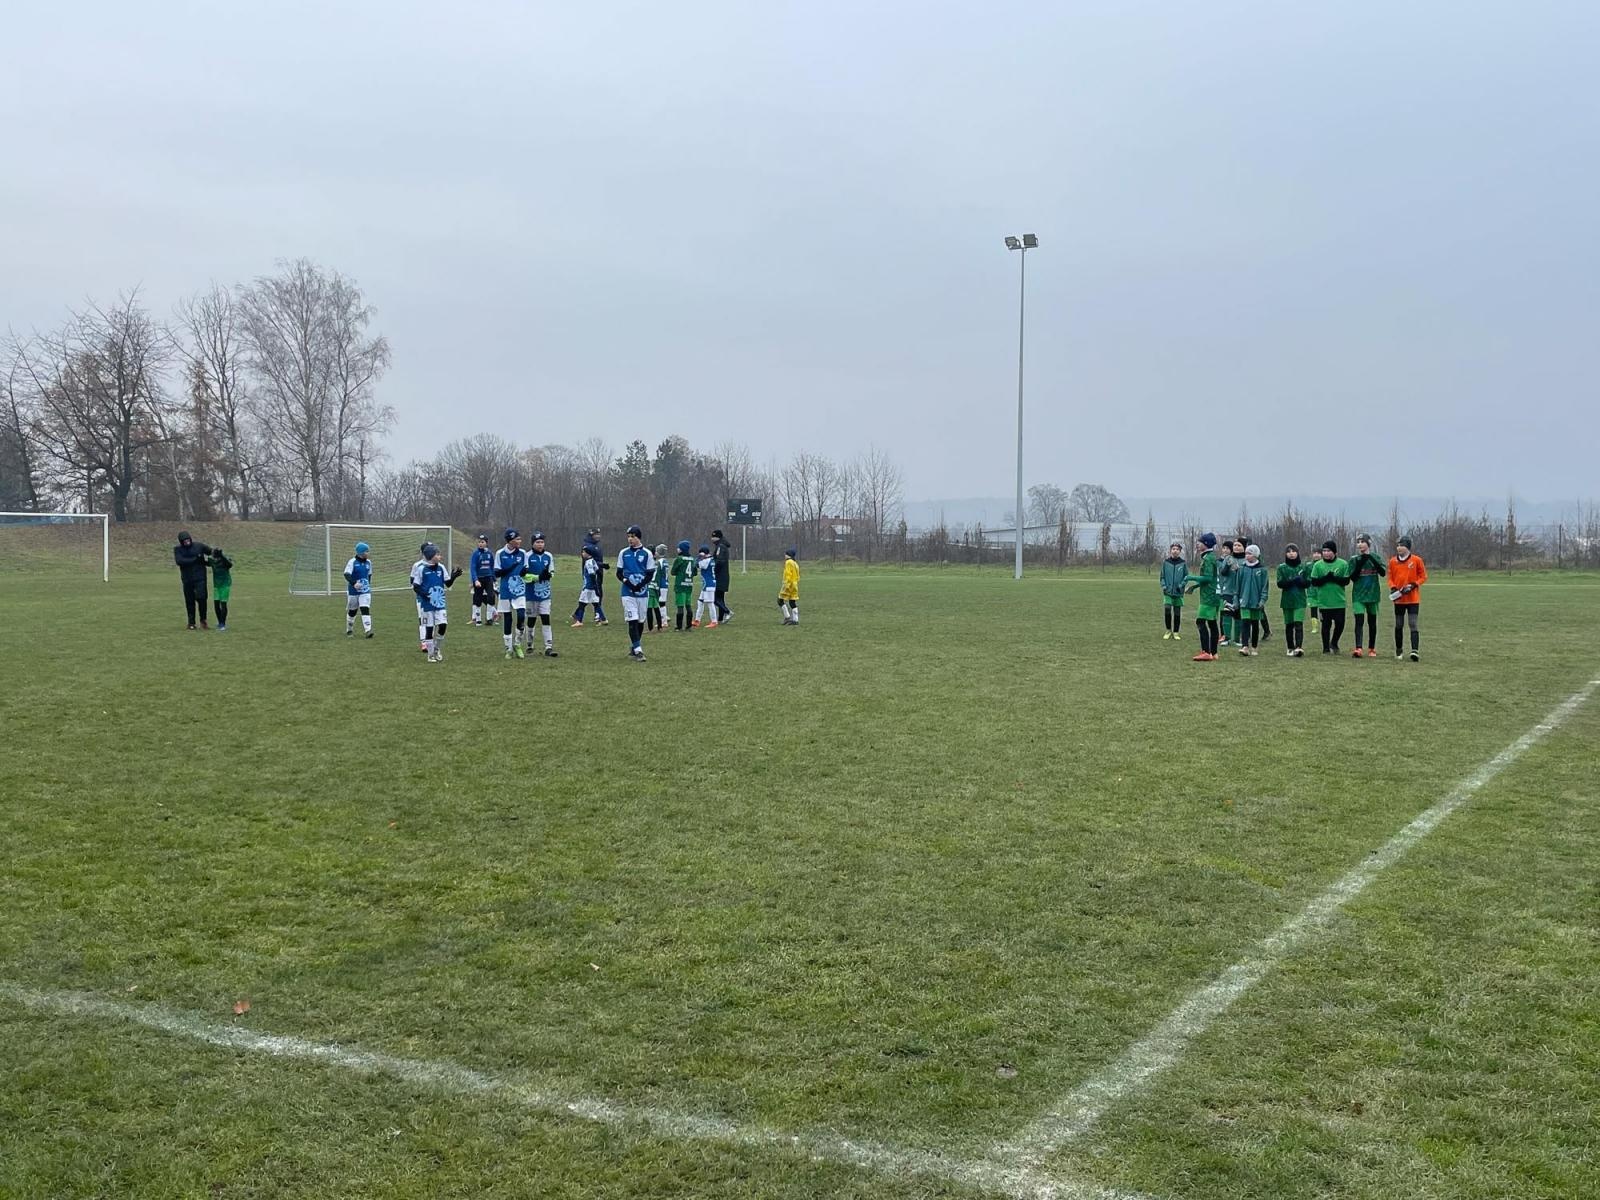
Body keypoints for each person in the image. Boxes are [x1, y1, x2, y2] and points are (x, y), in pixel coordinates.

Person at [412, 542, 462, 662]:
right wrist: (427, 594)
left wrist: (454, 576)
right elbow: (416, 586)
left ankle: (436, 649)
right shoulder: (421, 569)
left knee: (443, 625)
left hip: (440, 603)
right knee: (429, 629)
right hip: (427, 605)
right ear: (431, 556)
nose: (440, 556)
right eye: (438, 554)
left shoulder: (441, 567)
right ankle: (430, 655)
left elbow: (447, 583)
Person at [617, 525, 655, 661]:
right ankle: (639, 651)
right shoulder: (623, 553)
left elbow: (650, 574)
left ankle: (634, 647)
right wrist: (628, 583)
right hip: (627, 593)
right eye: (628, 536)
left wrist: (640, 585)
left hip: (642, 593)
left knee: (640, 621)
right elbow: (619, 573)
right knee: (632, 620)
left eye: (633, 536)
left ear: (638, 537)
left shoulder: (647, 554)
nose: (630, 539)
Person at [1347, 534, 1388, 659]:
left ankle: (1372, 648)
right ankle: (1358, 648)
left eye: (1362, 542)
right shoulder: (1354, 559)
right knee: (1359, 621)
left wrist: (1370, 558)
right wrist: (1361, 563)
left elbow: (1382, 573)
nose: (1359, 544)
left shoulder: (1375, 557)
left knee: (1372, 622)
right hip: (1358, 595)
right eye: (1358, 542)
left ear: (1368, 543)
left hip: (1373, 595)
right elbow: (1352, 577)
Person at [1307, 540, 1351, 654]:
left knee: (1340, 624)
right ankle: (1326, 648)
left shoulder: (1343, 564)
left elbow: (1346, 581)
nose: (1326, 553)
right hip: (1324, 602)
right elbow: (1315, 582)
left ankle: (1334, 642)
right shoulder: (1318, 565)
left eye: (1329, 551)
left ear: (1334, 552)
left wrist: (1334, 578)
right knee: (1325, 625)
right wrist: (1326, 578)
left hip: (1339, 601)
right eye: (1324, 551)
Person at [1389, 535, 1427, 661]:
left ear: (1408, 547)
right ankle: (1399, 650)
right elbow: (1390, 577)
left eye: (1402, 545)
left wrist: (1414, 584)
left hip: (1413, 598)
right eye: (1398, 545)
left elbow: (1423, 576)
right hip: (1399, 599)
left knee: (1413, 623)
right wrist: (1393, 587)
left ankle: (1414, 651)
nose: (1399, 548)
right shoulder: (1393, 561)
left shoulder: (1416, 560)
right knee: (1399, 624)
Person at [1184, 533, 1220, 661]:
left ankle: (1206, 651)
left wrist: (1191, 577)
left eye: (1200, 542)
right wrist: (1194, 587)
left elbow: (1208, 578)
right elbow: (1209, 579)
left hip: (1209, 596)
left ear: (1207, 544)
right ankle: (1214, 653)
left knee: (1200, 621)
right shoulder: (1209, 557)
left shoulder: (1209, 558)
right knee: (1212, 622)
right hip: (1213, 594)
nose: (1198, 544)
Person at [494, 529, 529, 659]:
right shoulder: (500, 553)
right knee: (507, 619)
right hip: (505, 589)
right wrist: (511, 567)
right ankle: (508, 648)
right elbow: (497, 573)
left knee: (521, 616)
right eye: (517, 539)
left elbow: (524, 571)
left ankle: (517, 644)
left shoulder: (523, 553)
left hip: (519, 590)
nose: (520, 541)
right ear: (510, 540)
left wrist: (524, 572)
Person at [522, 530, 559, 657]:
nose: (540, 544)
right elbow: (524, 576)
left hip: (545, 594)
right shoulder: (527, 556)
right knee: (531, 620)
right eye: (537, 542)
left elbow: (552, 572)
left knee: (545, 618)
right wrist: (537, 577)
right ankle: (529, 644)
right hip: (531, 594)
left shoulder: (548, 556)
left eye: (542, 542)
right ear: (532, 543)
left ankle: (548, 647)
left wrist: (548, 575)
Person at [1275, 543, 1311, 657]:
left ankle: (1298, 647)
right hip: (1287, 600)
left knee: (1298, 623)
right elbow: (1280, 583)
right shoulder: (1282, 568)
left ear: (1297, 552)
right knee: (1289, 625)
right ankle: (1290, 647)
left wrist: (1301, 581)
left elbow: (1308, 583)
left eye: (1293, 551)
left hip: (1300, 600)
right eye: (1288, 552)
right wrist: (1291, 581)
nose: (1291, 554)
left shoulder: (1303, 567)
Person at [1234, 544, 1269, 656]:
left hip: (1256, 602)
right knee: (1245, 622)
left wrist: (1262, 601)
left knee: (1255, 624)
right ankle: (1245, 646)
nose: (1247, 556)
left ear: (1255, 555)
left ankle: (1254, 646)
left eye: (1249, 553)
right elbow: (1237, 586)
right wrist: (1236, 600)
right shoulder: (1242, 568)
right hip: (1244, 601)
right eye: (1246, 553)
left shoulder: (1262, 569)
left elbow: (1264, 587)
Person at [173, 530, 213, 630]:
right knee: (189, 600)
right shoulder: (178, 549)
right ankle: (191, 623)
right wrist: (195, 559)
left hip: (200, 577)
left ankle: (203, 620)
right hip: (187, 579)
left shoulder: (199, 546)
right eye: (184, 541)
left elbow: (210, 552)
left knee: (202, 598)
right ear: (181, 542)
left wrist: (217, 556)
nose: (187, 542)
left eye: (188, 540)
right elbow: (180, 561)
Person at [343, 542, 375, 637]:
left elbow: (369, 575)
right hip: (353, 591)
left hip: (365, 591)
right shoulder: (352, 562)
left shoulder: (369, 563)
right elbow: (346, 574)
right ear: (360, 552)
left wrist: (367, 585)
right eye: (366, 551)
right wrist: (354, 583)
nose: (368, 553)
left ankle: (368, 631)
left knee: (365, 608)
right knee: (352, 611)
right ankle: (349, 629)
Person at [1216, 536, 1242, 647]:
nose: (1226, 550)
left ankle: (1237, 639)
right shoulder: (1227, 559)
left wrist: (1237, 568)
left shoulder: (1244, 559)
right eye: (1224, 548)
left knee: (1238, 615)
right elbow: (1223, 572)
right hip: (1228, 590)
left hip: (1240, 591)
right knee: (1226, 613)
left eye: (1228, 548)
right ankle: (1226, 637)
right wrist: (1227, 564)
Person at [580, 529, 609, 625]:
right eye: (596, 534)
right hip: (591, 575)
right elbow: (591, 562)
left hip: (597, 573)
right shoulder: (588, 546)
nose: (598, 536)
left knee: (592, 596)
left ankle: (578, 615)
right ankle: (598, 616)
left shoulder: (596, 546)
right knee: (593, 595)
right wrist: (602, 565)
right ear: (591, 535)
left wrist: (601, 566)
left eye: (599, 534)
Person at [1159, 542, 1186, 640]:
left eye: (1177, 549)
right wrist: (1164, 586)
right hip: (1168, 591)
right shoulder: (1166, 562)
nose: (1175, 551)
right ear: (1170, 551)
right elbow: (1162, 576)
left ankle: (1176, 632)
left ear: (1180, 551)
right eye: (1173, 549)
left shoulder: (1183, 563)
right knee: (1167, 609)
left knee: (1177, 612)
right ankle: (1168, 630)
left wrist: (1182, 585)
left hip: (1178, 592)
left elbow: (1186, 577)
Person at [469, 534, 496, 626]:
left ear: (486, 543)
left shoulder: (489, 553)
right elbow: (473, 567)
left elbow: (492, 566)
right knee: (478, 598)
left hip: (488, 578)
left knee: (491, 596)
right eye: (479, 542)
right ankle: (478, 619)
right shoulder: (476, 554)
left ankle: (489, 618)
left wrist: (494, 578)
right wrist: (475, 580)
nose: (480, 544)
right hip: (479, 579)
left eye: (482, 542)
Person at [572, 546, 602, 626]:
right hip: (593, 586)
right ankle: (601, 620)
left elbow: (591, 574)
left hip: (588, 586)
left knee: (581, 603)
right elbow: (597, 569)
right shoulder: (593, 561)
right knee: (596, 603)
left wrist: (594, 586)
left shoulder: (588, 562)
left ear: (588, 553)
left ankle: (579, 621)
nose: (582, 554)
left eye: (584, 552)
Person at [671, 540, 696, 630]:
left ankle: (679, 626)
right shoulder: (692, 559)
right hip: (689, 585)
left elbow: (673, 572)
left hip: (680, 585)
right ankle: (689, 625)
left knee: (680, 606)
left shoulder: (679, 559)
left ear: (682, 549)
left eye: (679, 548)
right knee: (688, 605)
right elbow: (695, 572)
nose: (677, 549)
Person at [645, 543, 668, 633]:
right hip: (656, 587)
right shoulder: (658, 563)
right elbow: (659, 577)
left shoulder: (647, 563)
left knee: (649, 608)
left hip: (649, 586)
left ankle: (650, 628)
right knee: (656, 608)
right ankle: (659, 627)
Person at [210, 546, 234, 631]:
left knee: (223, 604)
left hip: (225, 584)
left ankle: (223, 624)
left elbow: (229, 564)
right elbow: (205, 562)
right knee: (216, 604)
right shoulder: (212, 561)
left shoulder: (225, 561)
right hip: (216, 585)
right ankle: (219, 622)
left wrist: (222, 556)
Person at [711, 528, 733, 623]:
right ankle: (720, 618)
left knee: (715, 598)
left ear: (717, 537)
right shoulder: (722, 546)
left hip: (720, 576)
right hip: (724, 576)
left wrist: (713, 570)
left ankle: (727, 612)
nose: (712, 539)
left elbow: (719, 561)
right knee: (720, 598)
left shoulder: (720, 547)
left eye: (713, 537)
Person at [694, 545, 718, 628]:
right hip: (706, 585)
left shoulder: (706, 561)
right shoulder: (711, 560)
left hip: (709, 585)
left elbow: (696, 564)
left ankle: (714, 621)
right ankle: (697, 620)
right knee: (700, 601)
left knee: (710, 603)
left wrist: (699, 557)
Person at [778, 548, 801, 624]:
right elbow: (798, 575)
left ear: (788, 555)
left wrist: (786, 585)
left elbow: (788, 574)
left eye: (785, 554)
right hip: (795, 585)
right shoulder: (795, 563)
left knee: (780, 600)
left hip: (788, 584)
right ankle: (795, 620)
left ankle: (787, 617)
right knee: (792, 602)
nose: (784, 555)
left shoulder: (788, 562)